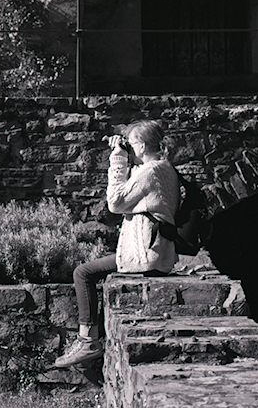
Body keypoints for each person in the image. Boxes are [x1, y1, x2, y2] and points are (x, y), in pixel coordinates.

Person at [53, 119, 181, 368]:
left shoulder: (150, 171)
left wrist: (118, 160)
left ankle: (88, 340)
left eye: (132, 143)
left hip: (145, 254)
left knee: (83, 273)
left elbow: (116, 202)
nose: (130, 148)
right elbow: (139, 189)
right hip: (157, 252)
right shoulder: (164, 167)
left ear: (142, 146)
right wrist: (122, 151)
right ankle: (90, 337)